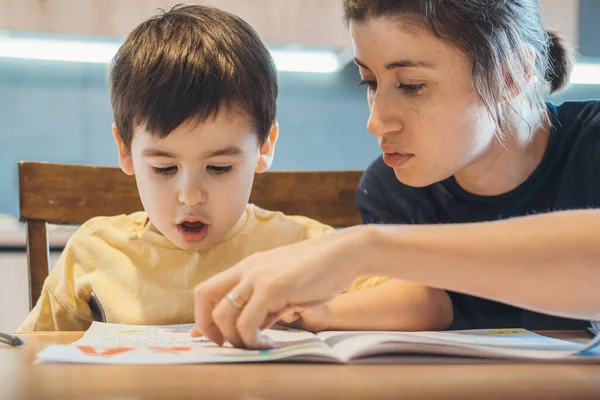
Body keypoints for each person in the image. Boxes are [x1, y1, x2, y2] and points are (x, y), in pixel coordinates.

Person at [191, 0, 600, 349]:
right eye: (370, 81)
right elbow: (426, 304)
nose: (377, 121)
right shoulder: (393, 189)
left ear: (511, 74)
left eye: (411, 85)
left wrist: (364, 248)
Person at [19, 5, 435, 333]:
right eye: (164, 168)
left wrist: (321, 310)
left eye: (219, 167)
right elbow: (28, 356)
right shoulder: (94, 251)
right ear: (125, 152)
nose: (190, 195)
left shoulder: (301, 247)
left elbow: (422, 301)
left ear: (265, 147)